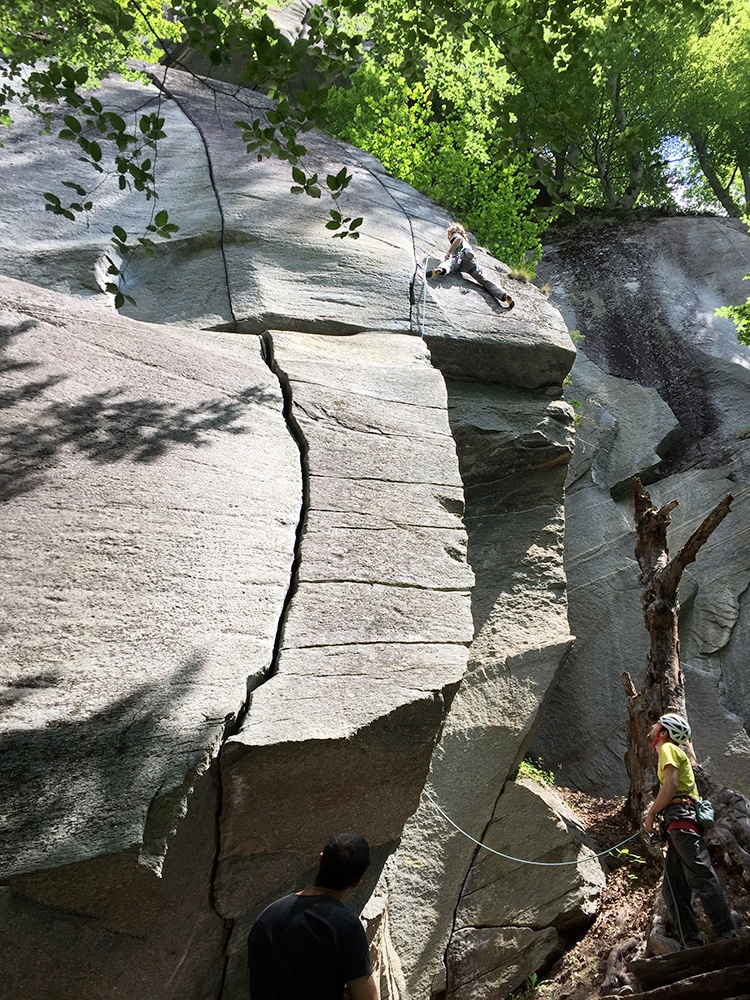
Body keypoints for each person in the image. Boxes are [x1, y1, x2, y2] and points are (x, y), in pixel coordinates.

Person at [248, 832, 378, 1000]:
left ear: (320, 859)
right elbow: (368, 997)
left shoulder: (269, 915)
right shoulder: (345, 925)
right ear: (357, 882)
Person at [644, 713, 735, 947]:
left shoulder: (667, 748)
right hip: (678, 821)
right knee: (672, 889)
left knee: (701, 875)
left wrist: (652, 813)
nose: (653, 726)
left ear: (663, 733)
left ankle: (727, 933)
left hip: (681, 818)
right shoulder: (670, 750)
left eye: (658, 724)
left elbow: (671, 784)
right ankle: (691, 942)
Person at [426, 223, 515, 310]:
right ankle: (503, 295)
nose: (448, 238)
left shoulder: (455, 234)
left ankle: (441, 269)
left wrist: (449, 252)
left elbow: (458, 239)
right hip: (471, 264)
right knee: (484, 281)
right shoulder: (467, 244)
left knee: (450, 263)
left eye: (448, 235)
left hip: (460, 257)